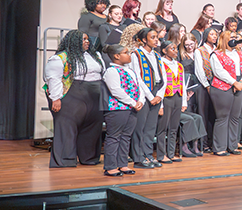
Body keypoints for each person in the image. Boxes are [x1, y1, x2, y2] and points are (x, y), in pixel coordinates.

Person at [44, 30, 105, 167]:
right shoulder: (61, 58)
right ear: (73, 41)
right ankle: (65, 159)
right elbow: (53, 79)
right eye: (83, 39)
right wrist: (56, 98)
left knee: (93, 127)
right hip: (73, 94)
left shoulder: (95, 55)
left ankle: (89, 157)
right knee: (67, 127)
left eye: (87, 39)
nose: (87, 41)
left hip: (95, 94)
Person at [101, 43, 142, 177]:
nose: (129, 55)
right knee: (114, 136)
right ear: (117, 56)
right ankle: (110, 166)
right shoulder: (111, 71)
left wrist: (140, 100)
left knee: (126, 136)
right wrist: (132, 102)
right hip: (117, 109)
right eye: (126, 52)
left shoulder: (130, 70)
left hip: (131, 107)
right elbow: (116, 90)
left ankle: (122, 164)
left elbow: (138, 86)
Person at [129, 27, 166, 168]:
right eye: (153, 37)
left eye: (157, 37)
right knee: (141, 127)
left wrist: (159, 95)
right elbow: (137, 77)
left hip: (156, 91)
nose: (156, 40)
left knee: (151, 127)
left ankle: (148, 155)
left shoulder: (157, 55)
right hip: (143, 93)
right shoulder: (136, 54)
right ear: (144, 40)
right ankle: (138, 158)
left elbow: (164, 77)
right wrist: (150, 96)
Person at [209, 30, 242, 156]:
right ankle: (219, 147)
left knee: (235, 117)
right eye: (232, 37)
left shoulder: (240, 54)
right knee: (222, 117)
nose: (235, 39)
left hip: (239, 84)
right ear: (225, 39)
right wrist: (234, 82)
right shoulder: (216, 54)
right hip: (222, 87)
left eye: (235, 37)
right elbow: (218, 71)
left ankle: (232, 145)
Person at [156, 40, 188, 164]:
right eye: (172, 49)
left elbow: (183, 85)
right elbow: (161, 85)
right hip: (166, 97)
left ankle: (171, 152)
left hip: (177, 97)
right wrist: (161, 105)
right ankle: (161, 154)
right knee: (162, 127)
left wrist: (184, 101)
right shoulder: (161, 64)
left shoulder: (179, 65)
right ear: (164, 51)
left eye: (176, 48)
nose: (175, 51)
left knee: (173, 127)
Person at [193, 26, 220, 152]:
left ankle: (213, 141)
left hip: (217, 84)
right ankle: (203, 144)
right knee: (203, 114)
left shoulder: (218, 50)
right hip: (204, 86)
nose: (214, 37)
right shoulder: (200, 50)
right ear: (206, 36)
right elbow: (199, 70)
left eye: (215, 35)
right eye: (212, 34)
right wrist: (206, 85)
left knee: (214, 114)